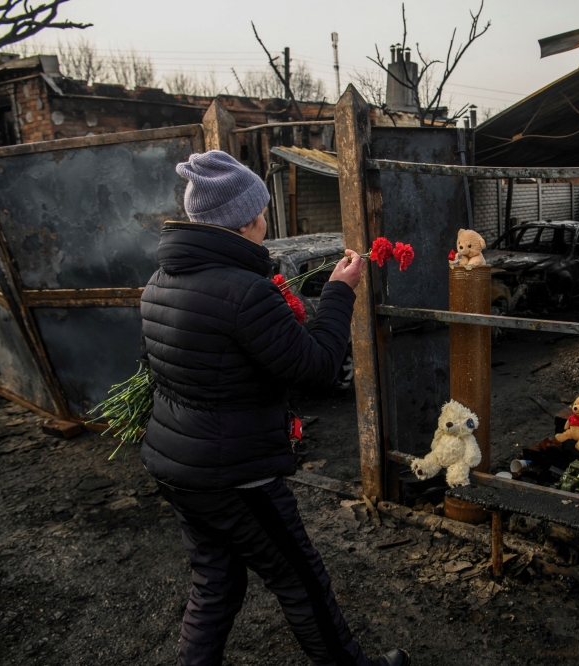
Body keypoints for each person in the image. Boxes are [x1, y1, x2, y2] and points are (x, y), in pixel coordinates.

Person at [139, 150, 409, 666]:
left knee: (215, 581)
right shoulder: (243, 292)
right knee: (300, 578)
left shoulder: (159, 284)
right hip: (235, 475)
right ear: (248, 221)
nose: (266, 219)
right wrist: (338, 292)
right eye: (261, 210)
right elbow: (316, 367)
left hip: (178, 465)